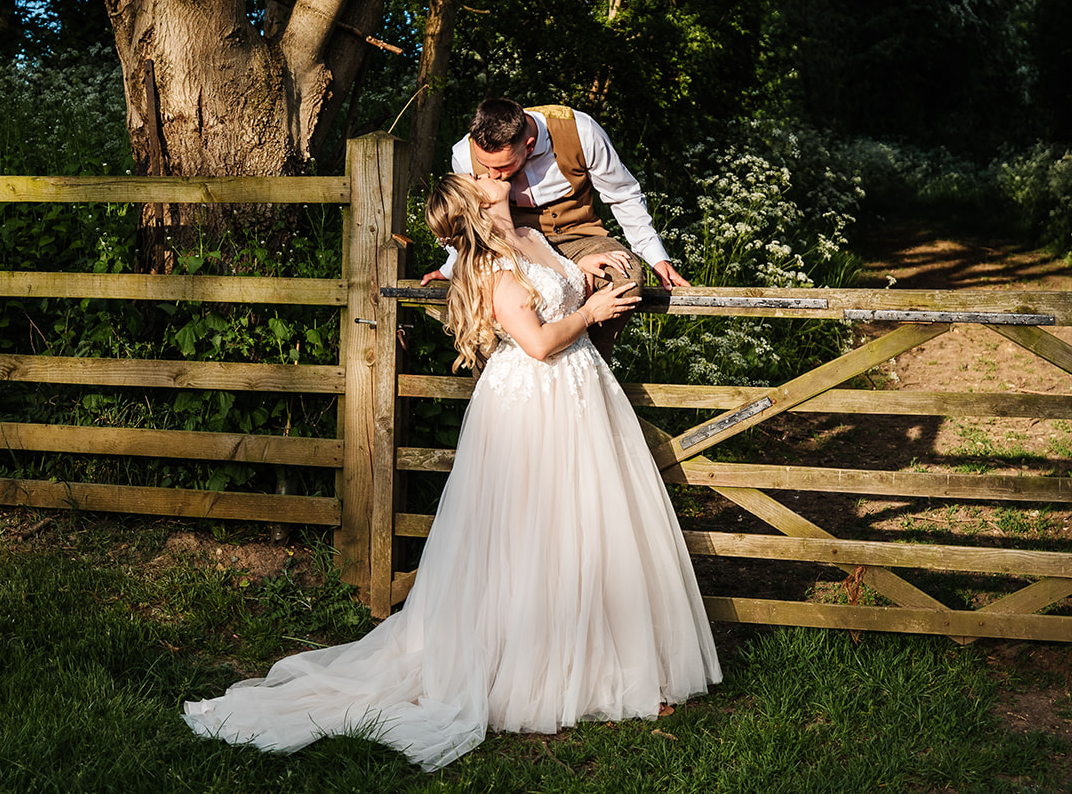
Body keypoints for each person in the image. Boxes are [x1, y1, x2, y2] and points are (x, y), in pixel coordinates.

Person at [183, 173, 720, 771]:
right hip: (533, 401)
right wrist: (591, 311)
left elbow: (559, 291)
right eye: (486, 182)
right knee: (532, 530)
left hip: (580, 391)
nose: (498, 179)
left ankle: (602, 663)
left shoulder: (530, 237)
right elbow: (538, 344)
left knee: (589, 522)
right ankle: (532, 668)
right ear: (477, 208)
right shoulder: (488, 267)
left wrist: (584, 279)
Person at [422, 98, 690, 361]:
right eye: (485, 166)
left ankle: (588, 364)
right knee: (484, 296)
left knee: (625, 281)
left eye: (502, 166)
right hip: (513, 243)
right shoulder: (463, 154)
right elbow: (468, 219)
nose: (491, 175)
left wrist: (656, 257)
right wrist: (453, 266)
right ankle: (494, 376)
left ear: (527, 146)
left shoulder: (581, 130)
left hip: (582, 236)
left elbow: (622, 195)